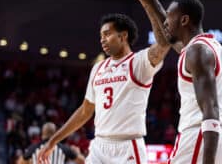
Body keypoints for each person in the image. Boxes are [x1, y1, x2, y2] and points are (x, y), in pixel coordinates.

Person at [129, 0, 222, 164]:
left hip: (200, 138)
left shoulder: (197, 51)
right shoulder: (206, 46)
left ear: (184, 20)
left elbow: (210, 108)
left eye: (170, 16)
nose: (166, 22)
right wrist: (152, 2)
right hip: (218, 139)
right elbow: (173, 41)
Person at [38, 13, 170, 164]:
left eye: (107, 34)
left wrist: (148, 3)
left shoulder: (138, 63)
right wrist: (52, 141)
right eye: (101, 36)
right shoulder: (98, 68)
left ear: (123, 36)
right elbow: (84, 111)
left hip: (127, 146)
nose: (102, 40)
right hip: (99, 146)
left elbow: (164, 43)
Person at [17, 122, 84, 164]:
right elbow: (82, 161)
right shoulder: (63, 148)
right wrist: (78, 153)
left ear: (42, 134)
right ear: (55, 134)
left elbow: (20, 162)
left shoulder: (33, 148)